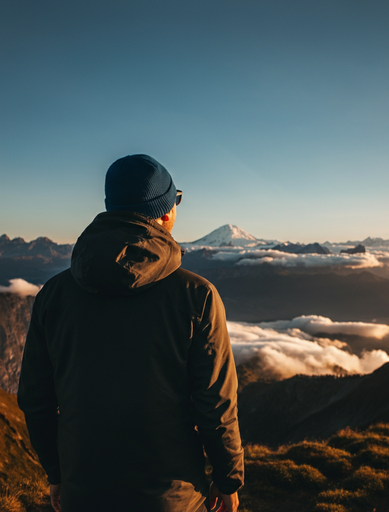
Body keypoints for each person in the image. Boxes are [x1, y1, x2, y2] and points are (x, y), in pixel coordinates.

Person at [18, 154, 244, 512]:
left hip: (84, 494)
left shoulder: (54, 295)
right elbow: (215, 405)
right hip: (173, 498)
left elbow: (36, 399)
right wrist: (228, 478)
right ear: (166, 211)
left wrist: (57, 475)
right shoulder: (197, 296)